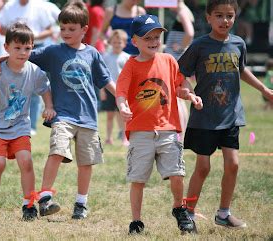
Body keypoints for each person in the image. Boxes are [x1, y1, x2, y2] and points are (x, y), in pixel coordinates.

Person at [0, 1, 116, 220]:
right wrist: (0, 59)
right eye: (63, 28)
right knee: (57, 151)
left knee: (85, 163)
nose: (65, 33)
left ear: (84, 29)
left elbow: (106, 80)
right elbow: (23, 54)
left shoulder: (93, 54)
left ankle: (81, 203)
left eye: (71, 29)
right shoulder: (53, 52)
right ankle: (46, 196)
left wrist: (122, 100)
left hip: (88, 118)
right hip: (63, 115)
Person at [178, 0, 273, 229]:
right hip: (204, 118)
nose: (225, 20)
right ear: (208, 17)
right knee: (203, 168)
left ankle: (223, 213)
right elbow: (180, 74)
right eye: (219, 15)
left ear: (235, 17)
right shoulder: (200, 46)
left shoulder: (239, 43)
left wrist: (263, 89)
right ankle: (188, 212)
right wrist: (190, 94)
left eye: (230, 15)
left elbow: (240, 70)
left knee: (233, 164)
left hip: (230, 115)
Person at [116, 14, 203, 234]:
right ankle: (136, 221)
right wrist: (123, 106)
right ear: (134, 41)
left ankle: (179, 209)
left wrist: (190, 95)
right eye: (147, 38)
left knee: (177, 173)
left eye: (156, 36)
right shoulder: (131, 65)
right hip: (140, 132)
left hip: (167, 129)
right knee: (138, 180)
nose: (154, 41)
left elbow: (179, 88)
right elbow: (121, 92)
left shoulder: (169, 61)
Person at [0, 22, 56, 221]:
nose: (22, 52)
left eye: (27, 48)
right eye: (17, 48)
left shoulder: (34, 71)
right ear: (6, 47)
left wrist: (48, 106)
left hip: (19, 126)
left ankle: (29, 204)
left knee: (26, 161)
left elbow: (45, 88)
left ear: (32, 48)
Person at [0, 0, 55, 136]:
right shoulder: (9, 6)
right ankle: (9, 123)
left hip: (36, 49)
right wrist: (18, 36)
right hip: (14, 49)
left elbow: (50, 30)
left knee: (35, 88)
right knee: (12, 90)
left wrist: (31, 38)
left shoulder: (40, 6)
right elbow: (1, 29)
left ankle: (31, 126)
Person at [164, 0, 195, 142]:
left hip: (176, 58)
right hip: (178, 57)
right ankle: (181, 134)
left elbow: (190, 32)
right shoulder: (184, 11)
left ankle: (180, 135)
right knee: (180, 97)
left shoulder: (182, 12)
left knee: (178, 98)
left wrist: (181, 47)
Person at [101, 29, 130, 146]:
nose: (117, 45)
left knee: (122, 115)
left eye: (119, 42)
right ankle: (108, 138)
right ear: (110, 42)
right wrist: (102, 90)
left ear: (124, 43)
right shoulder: (106, 57)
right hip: (109, 90)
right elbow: (102, 75)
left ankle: (124, 138)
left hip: (122, 91)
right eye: (114, 42)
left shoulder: (127, 58)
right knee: (109, 116)